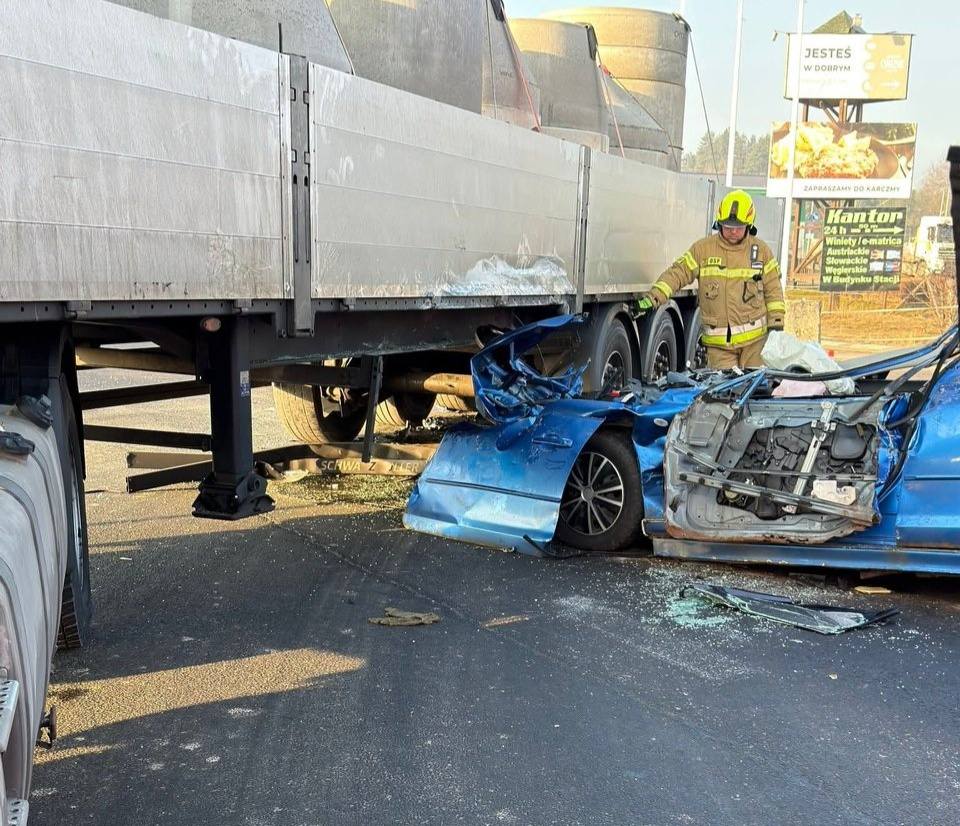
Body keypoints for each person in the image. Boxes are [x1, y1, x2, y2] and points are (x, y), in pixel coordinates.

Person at [636, 190, 786, 369]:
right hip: (719, 348)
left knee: (754, 393)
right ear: (719, 223)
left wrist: (776, 325)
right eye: (727, 226)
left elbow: (773, 290)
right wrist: (654, 297)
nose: (732, 231)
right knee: (723, 395)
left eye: (738, 227)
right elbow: (678, 273)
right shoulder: (703, 250)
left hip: (755, 346)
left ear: (749, 225)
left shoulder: (761, 252)